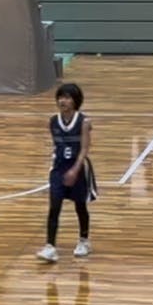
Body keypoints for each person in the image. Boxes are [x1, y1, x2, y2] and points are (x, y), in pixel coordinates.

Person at [36, 83, 95, 263]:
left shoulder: (84, 122)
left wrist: (75, 170)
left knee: (80, 206)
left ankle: (84, 240)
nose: (63, 101)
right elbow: (57, 146)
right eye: (61, 97)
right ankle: (50, 246)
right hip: (58, 169)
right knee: (54, 207)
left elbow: (84, 149)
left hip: (77, 168)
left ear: (75, 100)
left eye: (67, 97)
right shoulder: (53, 121)